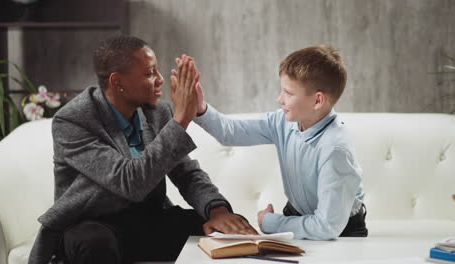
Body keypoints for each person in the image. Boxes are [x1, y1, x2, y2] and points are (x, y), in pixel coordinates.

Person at [28, 35, 257, 264]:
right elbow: (129, 181)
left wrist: (217, 211)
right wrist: (180, 122)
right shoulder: (73, 121)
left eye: (157, 71)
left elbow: (186, 173)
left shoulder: (157, 112)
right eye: (149, 73)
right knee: (95, 242)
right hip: (91, 223)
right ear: (118, 82)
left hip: (147, 218)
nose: (159, 80)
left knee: (229, 231)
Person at [176, 45, 368, 240]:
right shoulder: (282, 121)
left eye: (289, 93)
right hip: (299, 216)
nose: (279, 99)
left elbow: (327, 227)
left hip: (342, 229)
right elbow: (231, 132)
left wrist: (271, 222)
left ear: (317, 101)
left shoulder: (335, 149)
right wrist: (200, 108)